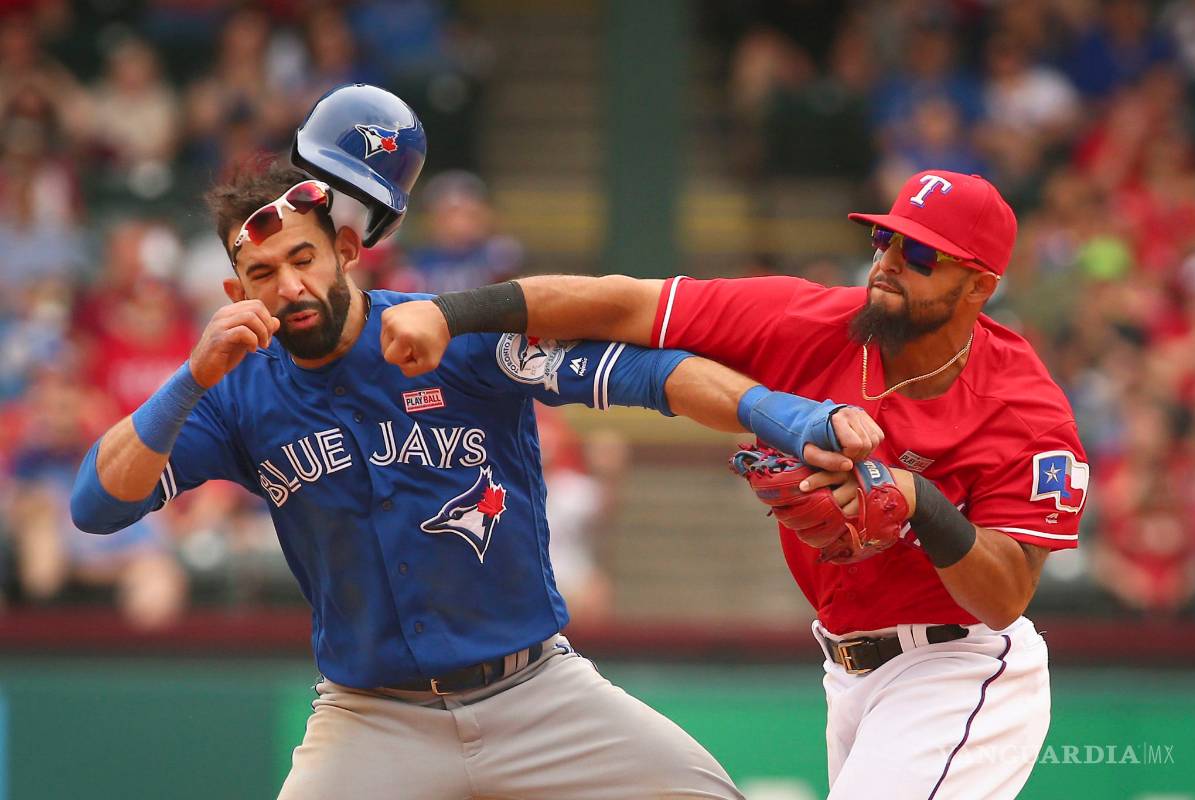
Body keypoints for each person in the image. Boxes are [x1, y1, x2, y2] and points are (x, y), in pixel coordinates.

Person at [70, 86, 885, 800]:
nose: (288, 287)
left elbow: (651, 376)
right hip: (370, 716)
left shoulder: (445, 334)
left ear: (347, 252)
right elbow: (98, 504)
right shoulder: (233, 394)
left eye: (304, 258)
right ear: (233, 290)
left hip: (536, 693)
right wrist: (190, 378)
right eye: (260, 274)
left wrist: (793, 418)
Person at [381, 170, 1089, 799]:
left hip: (960, 668)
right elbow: (621, 304)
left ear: (980, 286)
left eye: (922, 255)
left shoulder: (1024, 410)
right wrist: (451, 313)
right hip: (848, 670)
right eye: (884, 241)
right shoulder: (807, 321)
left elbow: (1004, 598)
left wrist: (918, 501)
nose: (890, 264)